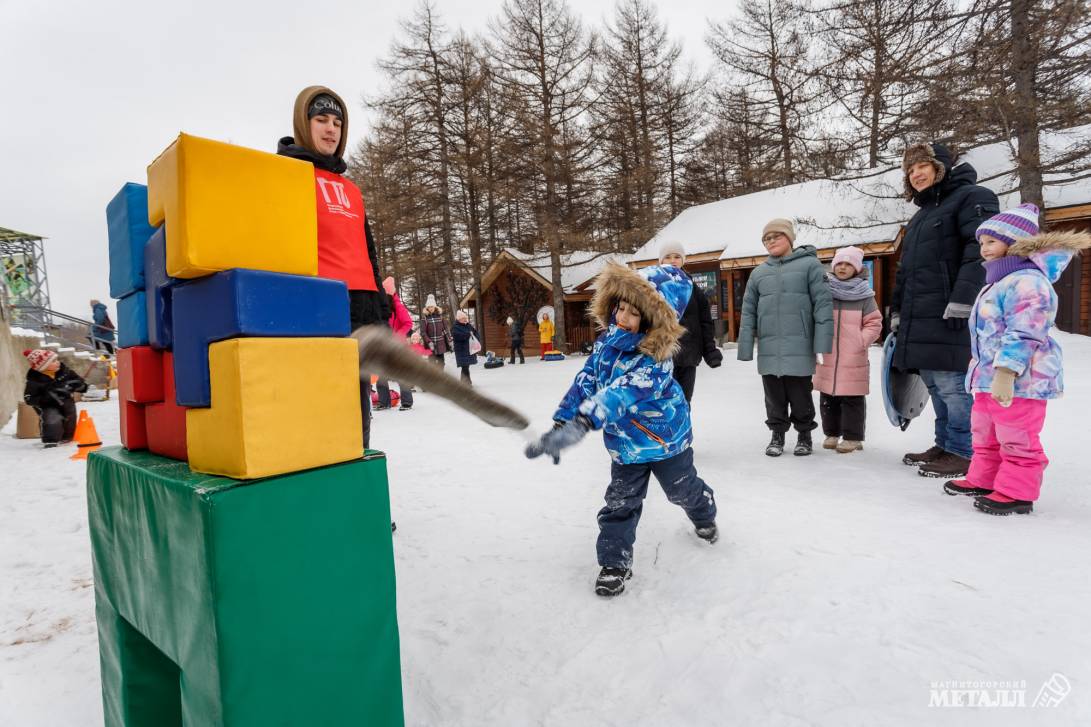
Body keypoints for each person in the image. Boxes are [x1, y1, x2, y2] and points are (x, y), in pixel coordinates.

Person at [525, 263, 718, 598]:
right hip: (626, 448)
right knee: (619, 503)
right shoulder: (606, 345)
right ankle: (615, 563)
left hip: (665, 443)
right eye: (621, 308)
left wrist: (585, 422)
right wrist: (564, 418)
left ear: (653, 320)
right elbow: (586, 381)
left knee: (680, 491)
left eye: (633, 312)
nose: (623, 317)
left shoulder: (656, 360)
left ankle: (703, 510)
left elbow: (622, 392)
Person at [943, 205, 1090, 515]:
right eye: (981, 243)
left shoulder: (1029, 282)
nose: (984, 249)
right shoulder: (996, 283)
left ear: (1016, 243)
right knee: (985, 432)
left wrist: (1007, 372)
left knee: (1016, 435)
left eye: (991, 242)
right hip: (987, 378)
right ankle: (984, 478)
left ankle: (1017, 492)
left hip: (1021, 379)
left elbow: (1025, 331)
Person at [277, 86, 389, 449]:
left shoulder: (352, 190)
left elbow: (367, 252)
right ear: (302, 124)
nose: (331, 129)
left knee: (357, 416)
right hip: (316, 310)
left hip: (358, 311)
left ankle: (352, 491)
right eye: (321, 120)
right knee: (319, 413)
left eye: (338, 123)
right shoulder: (286, 176)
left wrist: (380, 309)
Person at [892, 142, 1000, 478]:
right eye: (910, 170)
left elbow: (979, 248)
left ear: (941, 166)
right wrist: (897, 311)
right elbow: (905, 270)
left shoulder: (973, 197)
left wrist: (964, 297)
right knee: (935, 384)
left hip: (951, 309)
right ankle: (945, 443)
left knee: (954, 384)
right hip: (921, 313)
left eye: (922, 166)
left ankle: (964, 450)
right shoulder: (922, 215)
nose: (916, 174)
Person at [737, 219, 833, 457]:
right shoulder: (758, 273)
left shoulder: (810, 266)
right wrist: (746, 347)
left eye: (776, 236)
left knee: (801, 396)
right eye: (766, 239)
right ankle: (777, 435)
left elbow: (823, 305)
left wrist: (821, 343)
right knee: (773, 397)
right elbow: (748, 311)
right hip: (770, 347)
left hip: (799, 344)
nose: (771, 242)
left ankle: (804, 435)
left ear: (789, 238)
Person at [813, 246, 882, 453]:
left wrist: (861, 341)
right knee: (828, 395)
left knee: (853, 397)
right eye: (839, 264)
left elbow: (874, 323)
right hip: (828, 353)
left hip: (853, 355)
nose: (843, 267)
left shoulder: (864, 295)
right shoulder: (825, 292)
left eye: (848, 264)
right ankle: (832, 433)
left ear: (857, 268)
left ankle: (853, 437)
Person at [658, 241, 722, 402]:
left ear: (683, 260)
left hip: (688, 356)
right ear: (661, 261)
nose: (673, 260)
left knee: (684, 402)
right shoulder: (653, 287)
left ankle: (684, 427)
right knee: (663, 405)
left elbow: (705, 322)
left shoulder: (693, 289)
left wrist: (710, 351)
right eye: (668, 257)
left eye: (677, 257)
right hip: (661, 357)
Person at [23, 349, 88, 447]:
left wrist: (77, 385)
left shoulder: (65, 372)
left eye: (56, 359)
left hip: (67, 402)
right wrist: (48, 396)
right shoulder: (34, 380)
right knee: (52, 418)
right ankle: (51, 441)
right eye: (53, 361)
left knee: (70, 419)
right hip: (48, 405)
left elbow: (81, 383)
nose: (58, 362)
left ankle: (68, 437)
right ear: (43, 367)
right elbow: (29, 398)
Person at [376, 277, 414, 411]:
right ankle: (384, 401)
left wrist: (397, 336)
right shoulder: (382, 307)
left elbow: (408, 323)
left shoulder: (398, 306)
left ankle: (407, 402)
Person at [420, 295, 452, 366]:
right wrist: (429, 341)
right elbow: (423, 332)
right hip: (431, 344)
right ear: (427, 308)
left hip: (440, 343)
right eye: (429, 307)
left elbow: (445, 329)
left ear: (435, 307)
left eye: (432, 306)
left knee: (441, 363)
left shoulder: (440, 317)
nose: (431, 308)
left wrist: (450, 339)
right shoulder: (424, 319)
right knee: (432, 365)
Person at [451, 310, 481, 385]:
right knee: (465, 367)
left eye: (465, 318)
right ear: (459, 319)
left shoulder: (468, 325)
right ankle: (467, 383)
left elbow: (475, 333)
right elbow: (457, 337)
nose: (465, 319)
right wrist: (467, 335)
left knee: (466, 366)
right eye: (463, 318)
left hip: (469, 349)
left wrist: (476, 338)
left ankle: (464, 383)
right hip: (461, 350)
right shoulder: (455, 327)